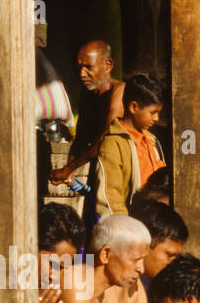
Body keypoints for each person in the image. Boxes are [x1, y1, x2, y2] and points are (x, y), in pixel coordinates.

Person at [49, 39, 125, 183]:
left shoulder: (119, 91)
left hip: (120, 169)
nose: (82, 74)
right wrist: (68, 169)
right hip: (99, 169)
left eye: (88, 67)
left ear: (108, 65)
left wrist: (68, 170)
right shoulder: (87, 94)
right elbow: (81, 138)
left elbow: (106, 139)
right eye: (80, 67)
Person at [93, 72, 166, 218]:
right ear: (133, 107)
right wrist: (127, 232)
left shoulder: (151, 140)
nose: (157, 118)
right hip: (133, 226)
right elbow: (110, 198)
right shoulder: (113, 144)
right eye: (153, 112)